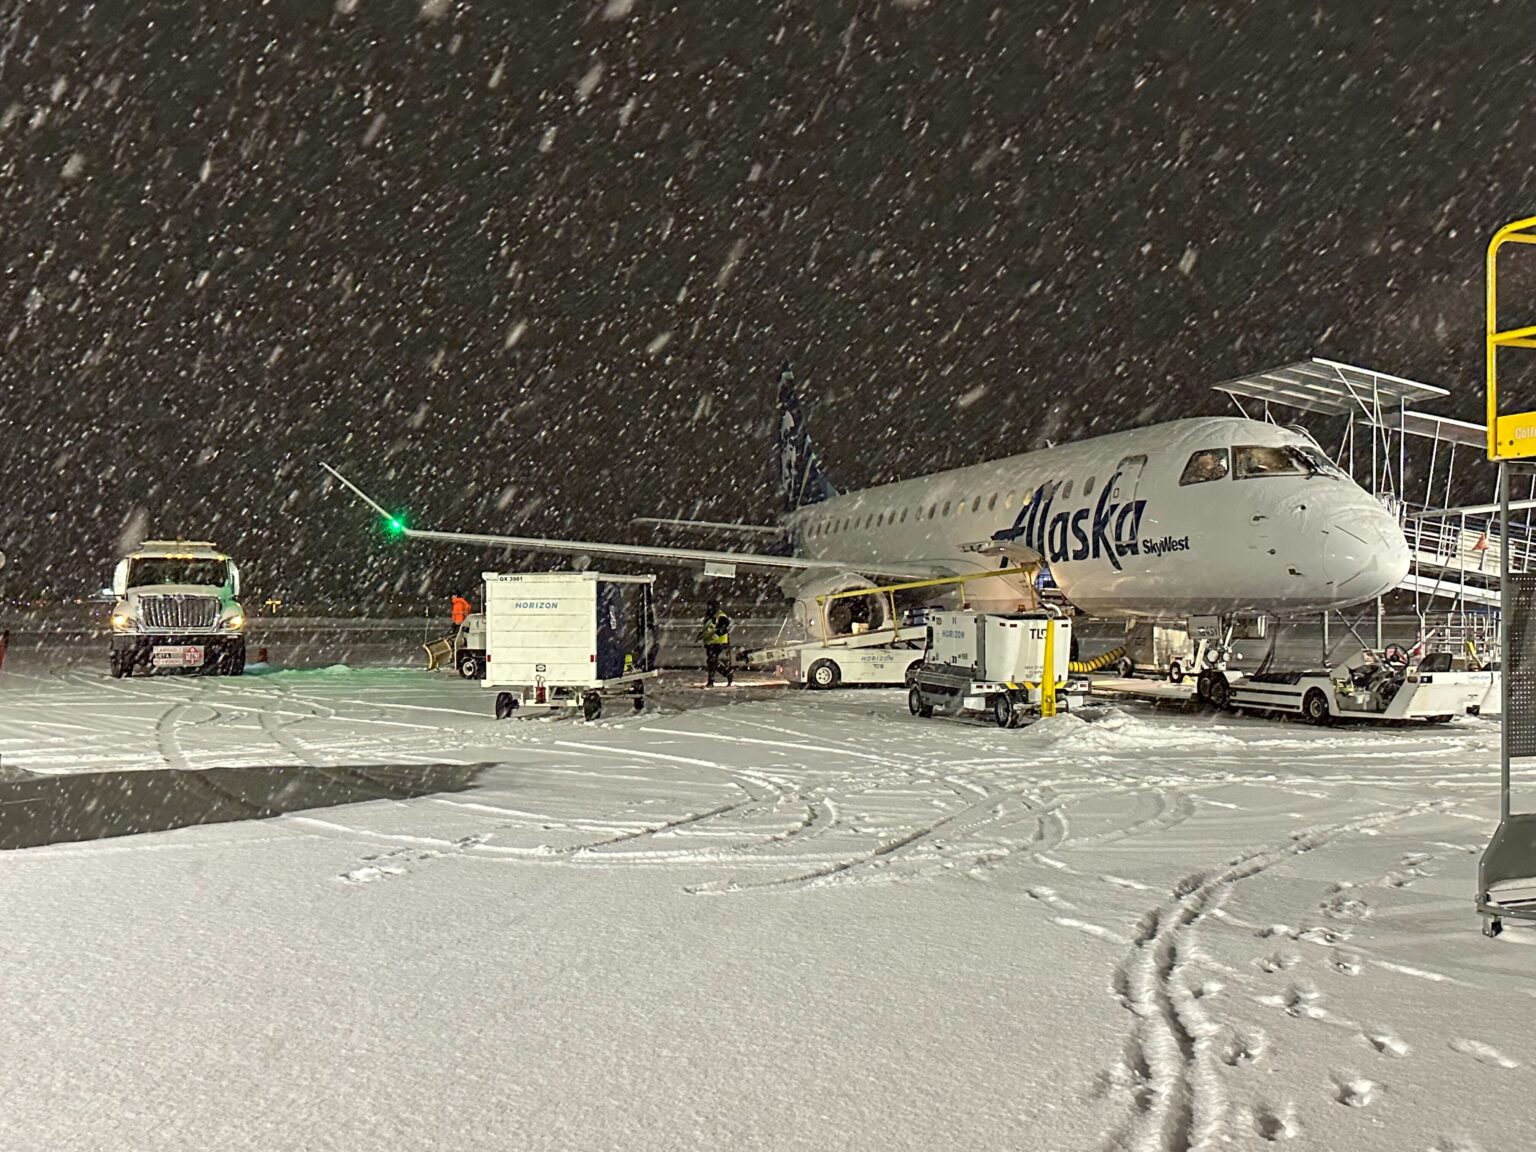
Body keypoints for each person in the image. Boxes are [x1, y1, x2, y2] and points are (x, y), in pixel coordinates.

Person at [699, 601, 733, 687]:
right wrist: (702, 634)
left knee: (712, 660)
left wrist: (717, 634)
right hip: (710, 642)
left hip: (718, 642)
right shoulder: (709, 616)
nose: (709, 608)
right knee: (711, 661)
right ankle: (727, 673)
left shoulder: (720, 615)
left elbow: (724, 626)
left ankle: (711, 681)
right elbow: (708, 628)